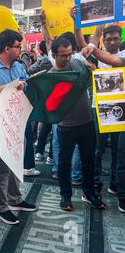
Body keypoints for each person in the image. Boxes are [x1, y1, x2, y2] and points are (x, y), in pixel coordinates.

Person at [0, 29, 37, 225]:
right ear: (6, 48)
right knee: (2, 167)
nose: (21, 49)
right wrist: (10, 86)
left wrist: (24, 85)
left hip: (16, 123)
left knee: (15, 162)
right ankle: (1, 208)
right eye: (18, 46)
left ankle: (15, 199)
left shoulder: (18, 66)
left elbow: (24, 84)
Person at [50, 36, 107, 211]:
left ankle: (89, 193)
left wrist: (91, 68)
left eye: (69, 54)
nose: (67, 58)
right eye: (63, 55)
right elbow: (51, 104)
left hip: (87, 122)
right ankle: (65, 196)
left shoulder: (76, 63)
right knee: (64, 163)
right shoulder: (52, 76)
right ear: (54, 55)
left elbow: (90, 70)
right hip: (66, 126)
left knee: (89, 160)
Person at [82, 45, 125, 213]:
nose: (112, 41)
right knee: (99, 150)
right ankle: (97, 186)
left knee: (117, 151)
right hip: (103, 109)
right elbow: (112, 60)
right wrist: (92, 47)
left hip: (117, 111)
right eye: (109, 39)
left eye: (116, 38)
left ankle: (115, 185)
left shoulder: (121, 55)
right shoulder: (114, 58)